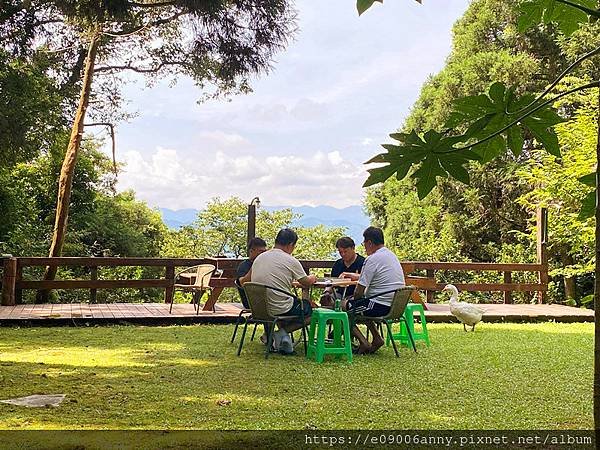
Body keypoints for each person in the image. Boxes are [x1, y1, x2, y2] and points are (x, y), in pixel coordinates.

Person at [240, 228, 316, 354]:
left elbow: (245, 281)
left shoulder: (259, 258)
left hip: (259, 308)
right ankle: (281, 333)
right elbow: (306, 282)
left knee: (284, 301)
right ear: (291, 245)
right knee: (312, 312)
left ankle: (277, 339)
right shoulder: (290, 260)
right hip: (280, 308)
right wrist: (313, 277)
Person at [343, 226, 405, 354]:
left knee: (344, 306)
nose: (364, 246)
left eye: (364, 243)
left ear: (370, 243)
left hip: (380, 306)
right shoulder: (391, 255)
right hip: (395, 305)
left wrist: (351, 300)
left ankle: (363, 342)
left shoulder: (372, 259)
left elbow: (359, 290)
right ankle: (376, 338)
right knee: (361, 304)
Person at [320, 237, 365, 307]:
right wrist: (326, 292)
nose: (343, 254)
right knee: (326, 300)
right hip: (339, 294)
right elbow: (331, 282)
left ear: (353, 248)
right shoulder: (338, 264)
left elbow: (366, 278)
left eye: (345, 251)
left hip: (356, 295)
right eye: (340, 252)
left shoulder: (363, 262)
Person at [236, 237, 267, 309]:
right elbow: (243, 283)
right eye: (261, 252)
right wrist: (256, 266)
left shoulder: (265, 264)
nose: (264, 254)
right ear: (251, 251)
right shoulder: (244, 266)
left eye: (265, 252)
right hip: (251, 302)